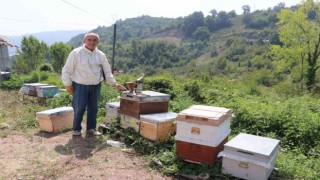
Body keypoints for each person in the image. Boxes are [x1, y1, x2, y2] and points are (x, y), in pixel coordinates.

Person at [61, 33, 127, 136]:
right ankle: (76, 129)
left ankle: (91, 128)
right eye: (89, 40)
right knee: (79, 107)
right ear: (84, 41)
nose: (92, 42)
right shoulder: (76, 53)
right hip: (80, 85)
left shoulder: (100, 55)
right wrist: (68, 84)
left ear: (98, 42)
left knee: (93, 108)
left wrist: (115, 83)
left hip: (96, 85)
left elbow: (107, 71)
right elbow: (66, 70)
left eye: (94, 40)